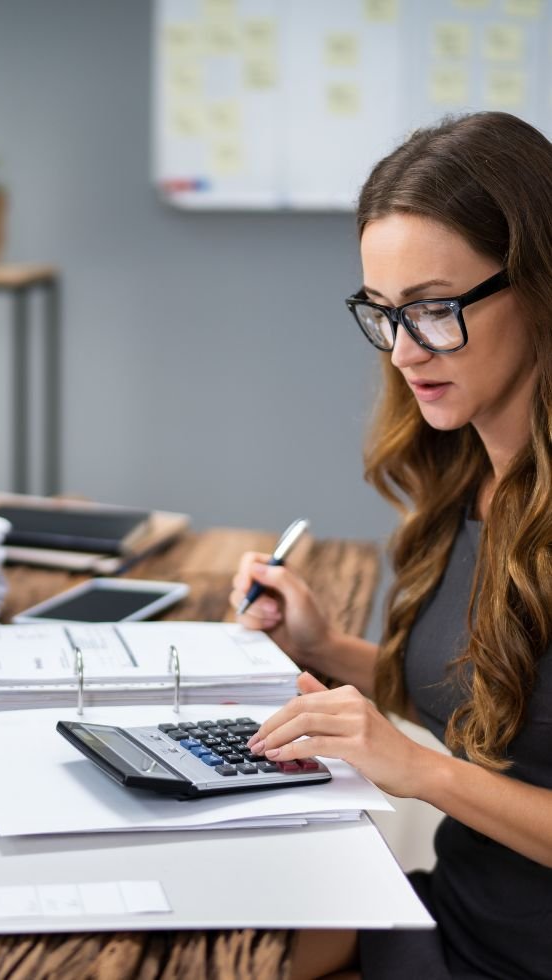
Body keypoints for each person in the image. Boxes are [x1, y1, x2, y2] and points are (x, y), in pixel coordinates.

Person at [231, 111, 552, 979]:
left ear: (538, 283)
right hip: (452, 913)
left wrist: (419, 770)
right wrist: (324, 649)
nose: (406, 352)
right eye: (383, 314)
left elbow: (443, 763)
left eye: (436, 310)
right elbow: (502, 713)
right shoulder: (469, 476)